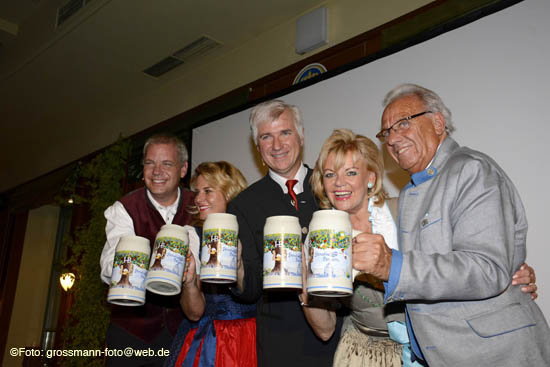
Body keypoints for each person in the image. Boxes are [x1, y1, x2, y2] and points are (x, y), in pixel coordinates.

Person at [353, 83, 550, 366]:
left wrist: (391, 266)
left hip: (496, 354)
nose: (393, 138)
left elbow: (486, 269)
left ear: (438, 122)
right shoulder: (411, 192)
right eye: (386, 132)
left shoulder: (472, 170)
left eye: (403, 123)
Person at [305, 129, 538, 367]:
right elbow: (325, 330)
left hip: (428, 346)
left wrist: (511, 273)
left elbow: (459, 264)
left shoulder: (405, 212)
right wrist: (303, 279)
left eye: (351, 172)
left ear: (371, 178)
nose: (339, 183)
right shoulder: (320, 238)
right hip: (362, 354)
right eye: (330, 174)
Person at [226, 100, 343, 367]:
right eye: (266, 136)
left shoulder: (331, 187)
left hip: (341, 339)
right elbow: (251, 288)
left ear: (301, 136)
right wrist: (239, 269)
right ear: (258, 147)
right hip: (283, 345)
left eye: (285, 133)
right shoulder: (243, 205)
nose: (276, 145)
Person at [100, 133, 195, 367]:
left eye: (166, 163)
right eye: (150, 163)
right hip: (131, 336)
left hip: (184, 333)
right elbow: (108, 267)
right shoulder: (125, 208)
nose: (156, 171)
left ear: (183, 169)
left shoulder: (198, 205)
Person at [164, 161, 256, 367]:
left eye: (207, 191)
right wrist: (188, 283)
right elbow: (194, 313)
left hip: (252, 337)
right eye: (197, 192)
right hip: (209, 342)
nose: (198, 199)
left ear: (230, 192)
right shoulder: (192, 236)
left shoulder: (253, 232)